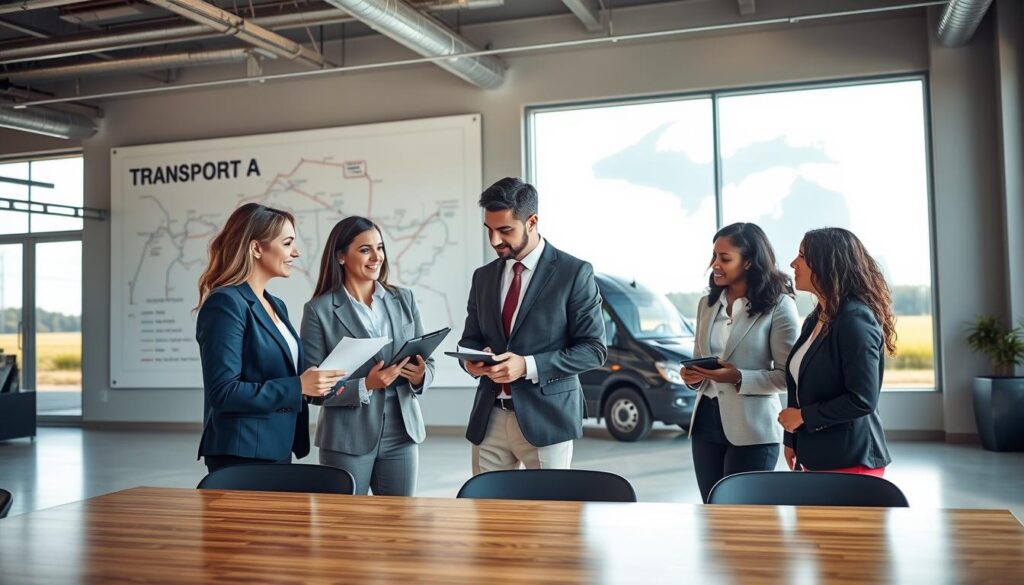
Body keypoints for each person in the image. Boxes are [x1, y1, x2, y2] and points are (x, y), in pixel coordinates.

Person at [459, 177, 607, 474]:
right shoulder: (483, 277)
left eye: (505, 230)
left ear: (532, 222)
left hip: (547, 419)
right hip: (489, 418)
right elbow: (471, 339)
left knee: (550, 517)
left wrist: (526, 365)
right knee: (488, 513)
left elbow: (593, 350)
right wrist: (471, 362)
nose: (494, 241)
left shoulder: (573, 273)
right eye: (489, 230)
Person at [195, 203, 345, 473]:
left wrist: (320, 384)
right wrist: (298, 385)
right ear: (256, 248)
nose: (295, 253)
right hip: (241, 454)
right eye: (288, 243)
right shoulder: (225, 304)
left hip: (277, 446)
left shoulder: (277, 305)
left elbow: (285, 375)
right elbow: (224, 393)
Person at [300, 216, 433, 496]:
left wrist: (421, 376)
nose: (377, 257)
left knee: (399, 523)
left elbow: (427, 361)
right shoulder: (319, 311)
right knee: (345, 527)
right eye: (365, 250)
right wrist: (366, 385)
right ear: (341, 256)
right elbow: (313, 390)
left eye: (380, 248)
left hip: (402, 432)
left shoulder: (404, 299)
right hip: (347, 438)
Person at [682, 222, 799, 503]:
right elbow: (701, 357)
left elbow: (787, 376)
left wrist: (737, 377)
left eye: (725, 258)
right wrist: (694, 376)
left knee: (743, 514)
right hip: (705, 424)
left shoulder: (779, 305)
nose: (715, 265)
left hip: (753, 429)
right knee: (712, 510)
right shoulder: (706, 305)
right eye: (714, 256)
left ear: (748, 262)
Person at [778, 227, 894, 475]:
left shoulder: (855, 319)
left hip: (850, 460)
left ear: (826, 263)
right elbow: (800, 384)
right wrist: (792, 438)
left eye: (801, 255)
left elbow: (862, 400)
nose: (792, 263)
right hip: (816, 455)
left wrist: (803, 418)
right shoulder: (817, 317)